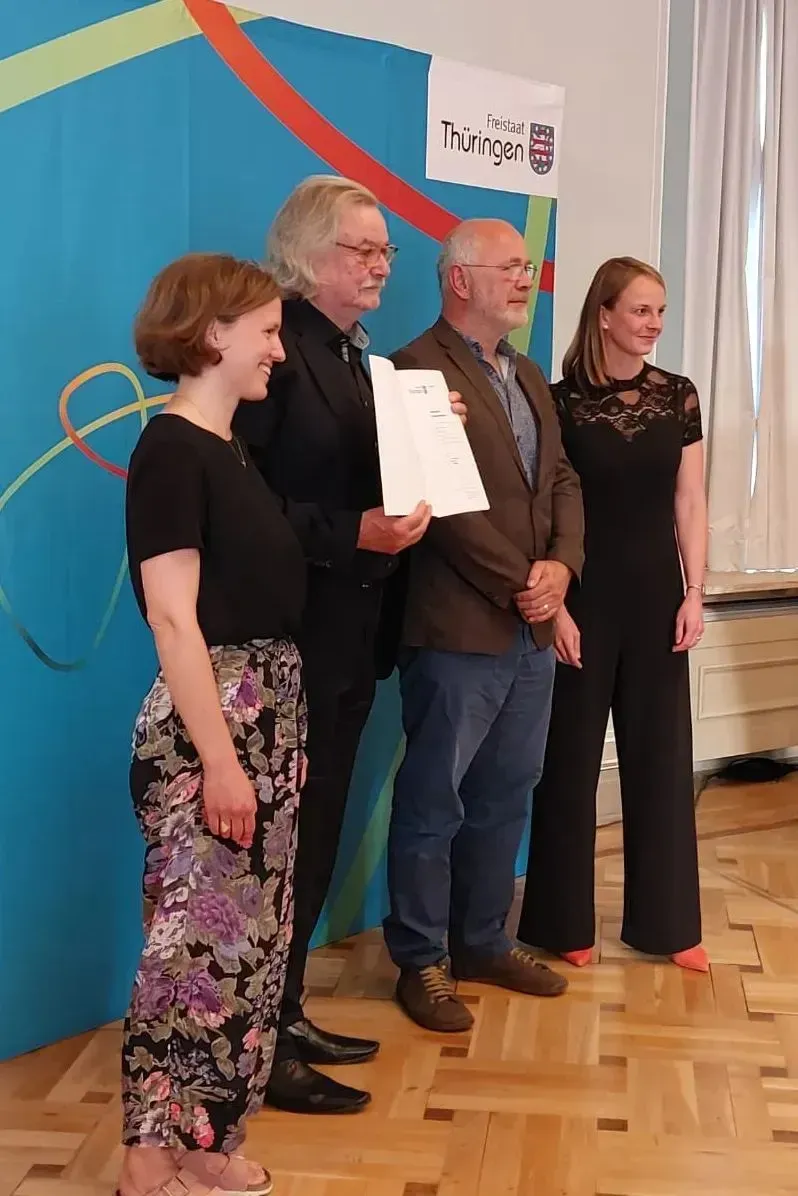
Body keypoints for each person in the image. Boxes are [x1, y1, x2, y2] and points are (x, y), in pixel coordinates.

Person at [233, 176, 464, 1113]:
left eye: (385, 251)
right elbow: (244, 508)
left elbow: (366, 479)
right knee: (282, 847)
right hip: (290, 637)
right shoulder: (274, 354)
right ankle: (258, 1046)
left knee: (316, 837)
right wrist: (350, 533)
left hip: (348, 638)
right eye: (361, 250)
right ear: (304, 255)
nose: (380, 267)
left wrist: (430, 440)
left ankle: (284, 1013)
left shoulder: (353, 357)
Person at [119, 253, 307, 1196]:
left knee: (243, 952)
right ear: (213, 333)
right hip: (213, 732)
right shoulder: (171, 451)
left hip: (264, 723)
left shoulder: (230, 447)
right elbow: (172, 619)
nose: (280, 349)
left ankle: (202, 1139)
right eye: (267, 331)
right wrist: (222, 762)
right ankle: (147, 1159)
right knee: (188, 948)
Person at [382, 218, 585, 1033]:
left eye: (528, 266)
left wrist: (562, 568)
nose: (525, 279)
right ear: (460, 279)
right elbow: (438, 505)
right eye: (510, 267)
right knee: (434, 801)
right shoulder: (413, 369)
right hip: (458, 629)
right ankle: (421, 959)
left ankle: (482, 941)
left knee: (505, 794)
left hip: (529, 631)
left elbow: (561, 478)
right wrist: (522, 583)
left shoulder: (527, 373)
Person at [517, 256, 709, 973]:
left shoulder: (679, 395)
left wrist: (696, 591)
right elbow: (542, 513)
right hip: (584, 598)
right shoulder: (556, 402)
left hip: (660, 597)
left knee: (662, 760)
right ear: (604, 315)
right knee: (568, 762)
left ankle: (670, 926)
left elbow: (690, 500)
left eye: (660, 311)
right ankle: (560, 923)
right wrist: (556, 611)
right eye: (640, 310)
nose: (653, 323)